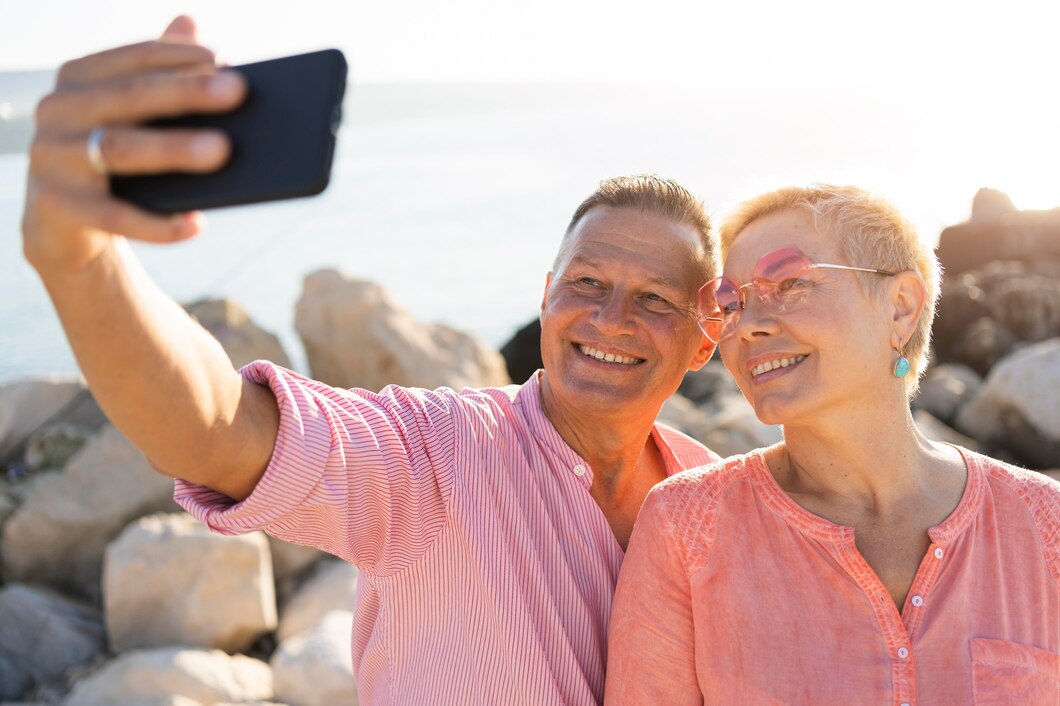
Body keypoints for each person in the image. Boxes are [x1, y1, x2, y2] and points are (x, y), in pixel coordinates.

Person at [22, 17, 724, 705]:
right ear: (547, 298)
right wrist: (82, 262)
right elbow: (217, 431)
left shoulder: (715, 498)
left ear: (704, 339)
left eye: (656, 299)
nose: (610, 320)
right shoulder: (439, 455)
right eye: (587, 284)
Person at [605, 184, 1060, 705]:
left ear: (900, 308)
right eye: (731, 303)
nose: (747, 327)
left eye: (789, 282)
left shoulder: (1044, 523)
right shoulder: (686, 528)